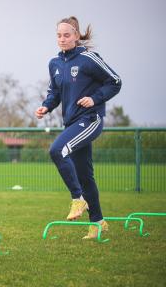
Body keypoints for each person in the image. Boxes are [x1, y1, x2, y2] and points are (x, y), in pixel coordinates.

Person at [35, 16, 122, 239]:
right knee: (85, 175)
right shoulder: (55, 63)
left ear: (76, 36)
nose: (62, 39)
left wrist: (94, 99)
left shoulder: (88, 58)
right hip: (72, 121)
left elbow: (115, 81)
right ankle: (98, 222)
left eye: (67, 35)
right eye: (59, 35)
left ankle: (78, 199)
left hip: (91, 119)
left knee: (57, 150)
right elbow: (54, 92)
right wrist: (46, 107)